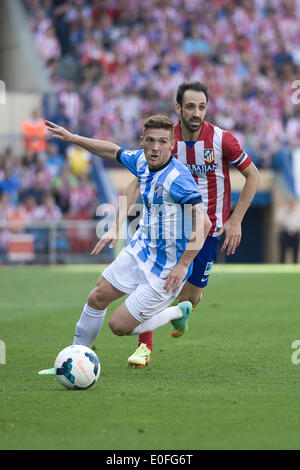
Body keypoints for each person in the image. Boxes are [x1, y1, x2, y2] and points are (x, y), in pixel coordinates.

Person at [93, 81, 260, 367]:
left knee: (190, 297)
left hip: (208, 229)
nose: (197, 113)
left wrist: (236, 219)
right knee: (152, 279)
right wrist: (119, 221)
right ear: (178, 108)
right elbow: (136, 182)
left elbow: (253, 175)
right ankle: (144, 346)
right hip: (165, 228)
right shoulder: (165, 140)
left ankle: (181, 310)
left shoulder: (222, 140)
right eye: (191, 106)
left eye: (202, 107)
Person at [39, 114, 212, 374]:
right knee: (97, 296)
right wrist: (73, 138)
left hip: (166, 268)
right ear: (142, 141)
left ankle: (178, 313)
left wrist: (183, 265)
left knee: (119, 326)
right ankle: (72, 360)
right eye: (150, 140)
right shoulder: (142, 160)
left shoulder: (178, 179)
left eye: (162, 142)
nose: (155, 147)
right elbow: (112, 150)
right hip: (140, 249)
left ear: (172, 144)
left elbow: (205, 224)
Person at [275, 198, 300, 263]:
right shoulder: (282, 211)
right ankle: (281, 266)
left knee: (295, 252)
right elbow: (278, 223)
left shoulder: (297, 212)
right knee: (282, 252)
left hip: (295, 233)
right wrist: (286, 214)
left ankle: (295, 265)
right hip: (285, 233)